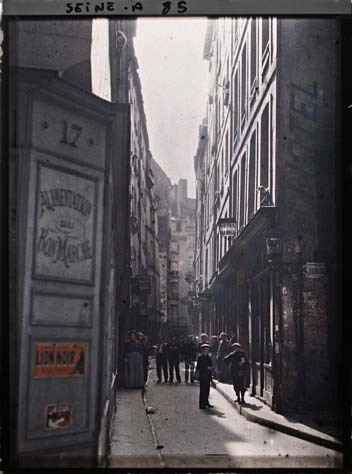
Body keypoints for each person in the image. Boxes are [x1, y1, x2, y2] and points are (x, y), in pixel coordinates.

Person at [196, 343, 214, 409]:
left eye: (207, 349)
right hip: (203, 375)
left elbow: (211, 365)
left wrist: (212, 368)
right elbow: (199, 367)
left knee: (207, 389)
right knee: (202, 390)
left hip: (208, 375)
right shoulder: (200, 357)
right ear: (203, 350)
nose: (206, 351)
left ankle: (206, 402)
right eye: (205, 349)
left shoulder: (208, 357)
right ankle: (201, 404)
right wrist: (207, 368)